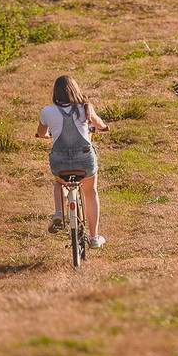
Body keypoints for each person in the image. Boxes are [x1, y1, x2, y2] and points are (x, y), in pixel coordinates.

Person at [36, 75, 109, 249]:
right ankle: (94, 238)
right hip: (85, 161)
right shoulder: (85, 107)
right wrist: (104, 127)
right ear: (75, 90)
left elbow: (41, 133)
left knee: (59, 183)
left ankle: (59, 212)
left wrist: (46, 135)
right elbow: (99, 124)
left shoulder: (47, 111)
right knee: (90, 192)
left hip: (60, 162)